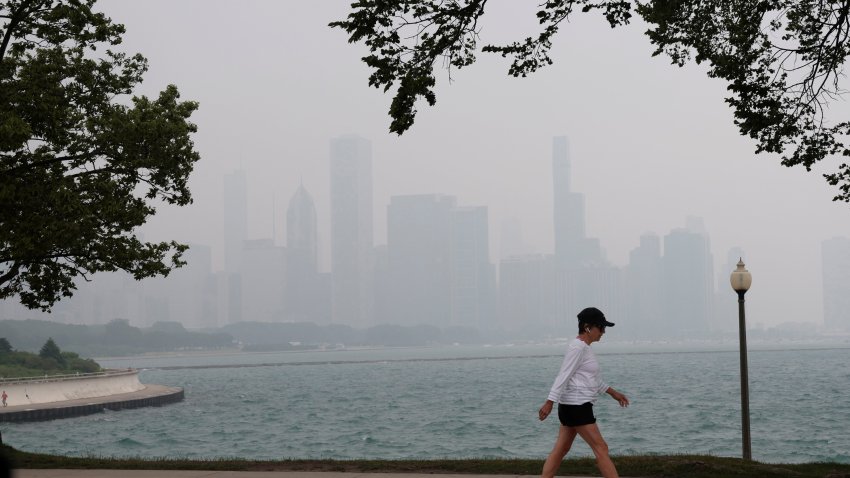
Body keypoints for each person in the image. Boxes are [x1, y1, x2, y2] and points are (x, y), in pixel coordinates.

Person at [538, 307, 630, 478]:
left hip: (571, 406)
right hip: (577, 406)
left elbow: (591, 379)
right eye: (601, 327)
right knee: (601, 448)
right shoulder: (578, 348)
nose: (603, 332)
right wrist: (549, 401)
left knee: (561, 449)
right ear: (588, 327)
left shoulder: (584, 348)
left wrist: (613, 393)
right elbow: (564, 375)